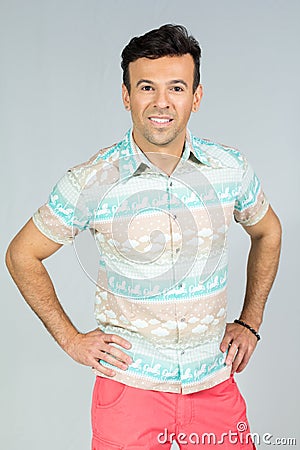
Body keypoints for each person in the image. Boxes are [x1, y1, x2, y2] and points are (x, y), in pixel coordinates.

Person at [6, 24, 282, 449]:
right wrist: (71, 340)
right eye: (146, 87)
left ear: (196, 96)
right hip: (129, 388)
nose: (161, 103)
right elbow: (21, 255)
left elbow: (268, 231)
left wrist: (250, 322)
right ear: (126, 95)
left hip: (213, 382)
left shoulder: (231, 170)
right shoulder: (92, 180)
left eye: (176, 87)